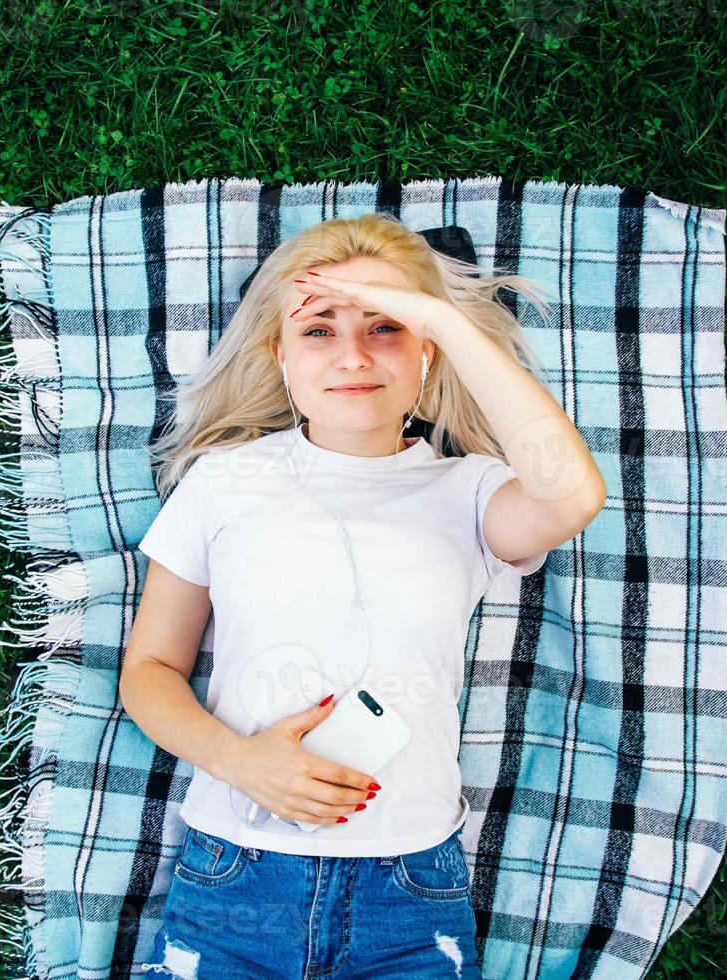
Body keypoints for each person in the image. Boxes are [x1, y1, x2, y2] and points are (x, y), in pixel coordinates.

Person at [121, 212, 607, 979]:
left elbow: (574, 496)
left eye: (386, 328)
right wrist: (241, 762)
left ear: (427, 353)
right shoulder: (222, 482)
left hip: (410, 890)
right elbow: (148, 668)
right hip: (235, 876)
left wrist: (438, 313)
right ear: (279, 353)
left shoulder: (472, 491)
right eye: (318, 330)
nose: (352, 355)